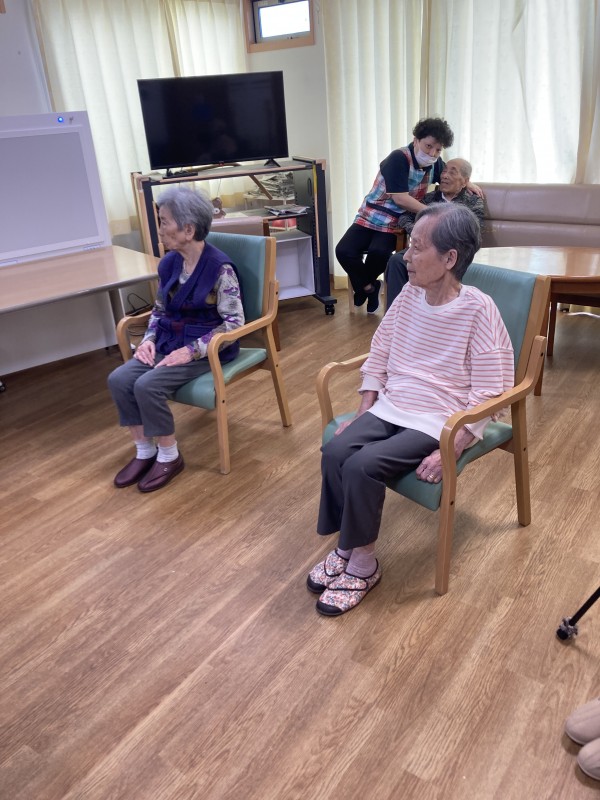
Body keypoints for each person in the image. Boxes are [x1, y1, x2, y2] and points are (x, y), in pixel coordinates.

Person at [307, 204, 514, 616]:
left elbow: (492, 390)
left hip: (438, 418)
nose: (406, 256)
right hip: (393, 404)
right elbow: (381, 350)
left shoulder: (478, 309)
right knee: (336, 449)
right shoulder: (409, 295)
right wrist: (364, 409)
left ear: (450, 258)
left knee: (363, 465)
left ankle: (363, 566)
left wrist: (453, 445)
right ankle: (347, 545)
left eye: (417, 247)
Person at [108, 187, 244, 492]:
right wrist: (148, 339)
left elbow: (234, 323)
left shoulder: (220, 269)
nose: (160, 230)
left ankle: (170, 456)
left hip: (206, 349)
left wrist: (190, 351)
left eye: (164, 222)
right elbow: (159, 311)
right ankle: (145, 451)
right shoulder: (169, 263)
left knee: (147, 385)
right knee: (119, 379)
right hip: (168, 341)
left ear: (188, 230)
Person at [335, 117, 456, 315]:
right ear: (416, 140)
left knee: (379, 252)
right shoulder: (398, 158)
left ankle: (364, 287)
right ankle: (369, 288)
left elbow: (450, 176)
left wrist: (468, 182)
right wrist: (432, 212)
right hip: (371, 214)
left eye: (438, 149)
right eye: (428, 146)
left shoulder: (434, 163)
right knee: (343, 250)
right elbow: (400, 199)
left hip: (396, 222)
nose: (432, 154)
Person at [385, 158, 485, 307]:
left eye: (452, 172)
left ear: (465, 181)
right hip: (423, 248)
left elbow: (474, 230)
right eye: (444, 171)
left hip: (451, 252)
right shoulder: (430, 198)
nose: (445, 176)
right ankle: (398, 311)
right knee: (397, 261)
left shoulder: (473, 201)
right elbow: (405, 217)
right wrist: (419, 233)